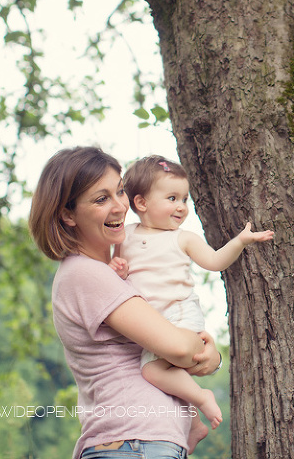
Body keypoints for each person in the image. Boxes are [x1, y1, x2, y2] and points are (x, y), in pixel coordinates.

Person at [28, 146, 221, 459]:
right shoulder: (86, 274)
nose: (120, 206)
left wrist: (209, 355)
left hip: (145, 443)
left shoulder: (113, 273)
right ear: (67, 214)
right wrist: (199, 348)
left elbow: (171, 345)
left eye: (120, 192)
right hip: (132, 444)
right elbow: (180, 348)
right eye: (102, 199)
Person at [109, 155, 274, 432]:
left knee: (152, 370)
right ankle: (194, 422)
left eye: (185, 199)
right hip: (154, 321)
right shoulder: (125, 235)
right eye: (172, 198)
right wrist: (118, 269)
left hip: (179, 313)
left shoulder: (182, 238)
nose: (182, 207)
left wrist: (240, 241)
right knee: (163, 371)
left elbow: (215, 261)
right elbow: (118, 274)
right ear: (141, 203)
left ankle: (201, 398)